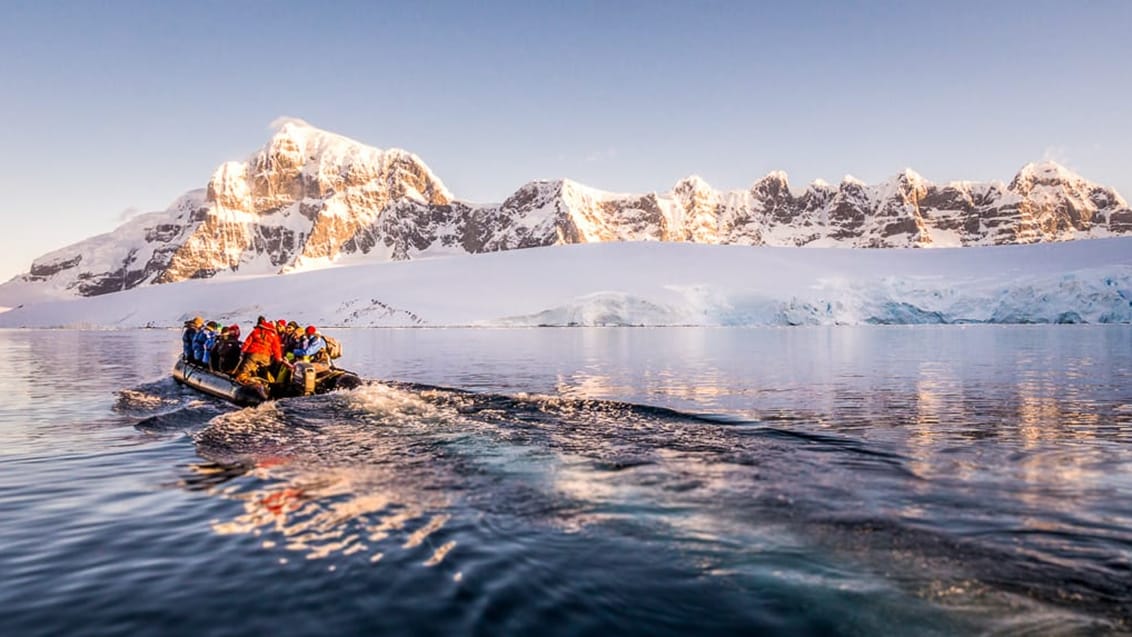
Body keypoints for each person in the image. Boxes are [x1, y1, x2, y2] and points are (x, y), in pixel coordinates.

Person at [234, 316, 287, 395]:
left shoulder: (256, 331)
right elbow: (276, 348)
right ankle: (266, 387)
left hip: (253, 355)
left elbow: (248, 342)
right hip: (265, 357)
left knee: (245, 370)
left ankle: (239, 386)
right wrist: (278, 358)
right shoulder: (273, 335)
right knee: (264, 372)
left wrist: (243, 351)